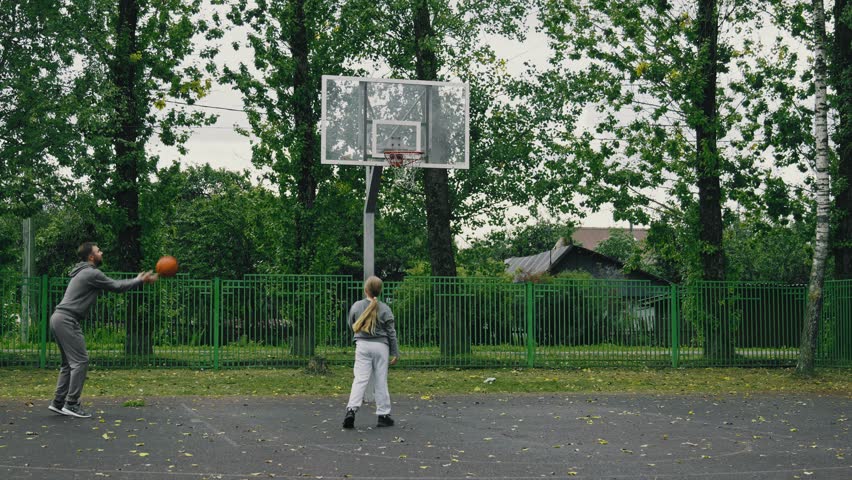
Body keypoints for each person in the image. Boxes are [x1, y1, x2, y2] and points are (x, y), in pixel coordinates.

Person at [48, 242, 158, 418]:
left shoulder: (82, 272)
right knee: (81, 361)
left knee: (68, 364)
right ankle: (72, 403)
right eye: (99, 251)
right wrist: (139, 280)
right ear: (91, 257)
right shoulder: (91, 273)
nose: (102, 253)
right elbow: (116, 287)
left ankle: (58, 402)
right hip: (67, 319)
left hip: (58, 317)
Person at [343, 275, 399, 429]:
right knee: (381, 380)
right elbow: (391, 332)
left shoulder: (356, 306)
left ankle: (351, 410)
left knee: (360, 379)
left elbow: (351, 324)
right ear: (379, 291)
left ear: (365, 289)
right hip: (381, 347)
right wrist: (395, 352)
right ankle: (383, 415)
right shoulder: (385, 309)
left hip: (362, 345)